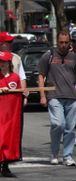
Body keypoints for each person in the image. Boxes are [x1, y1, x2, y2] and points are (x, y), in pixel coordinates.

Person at [38, 30, 76, 166]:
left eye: (66, 42)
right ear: (57, 42)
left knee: (70, 128)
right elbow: (41, 76)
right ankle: (54, 153)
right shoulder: (48, 56)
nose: (64, 45)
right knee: (58, 124)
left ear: (69, 42)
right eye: (61, 42)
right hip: (54, 96)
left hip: (72, 97)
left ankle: (67, 156)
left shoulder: (74, 57)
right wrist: (43, 95)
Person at [0, 51, 23, 177]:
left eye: (3, 62)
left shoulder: (15, 77)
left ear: (9, 62)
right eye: (0, 62)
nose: (1, 64)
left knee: (9, 139)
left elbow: (19, 95)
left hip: (11, 114)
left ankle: (6, 166)